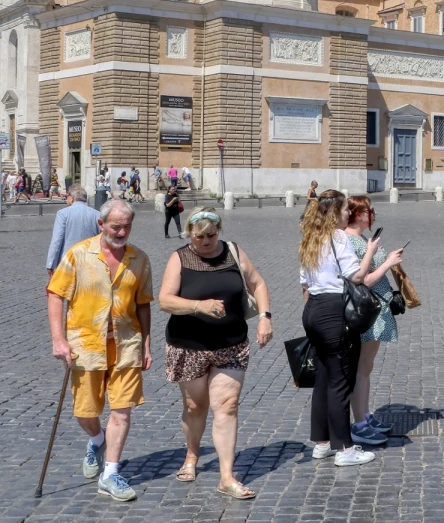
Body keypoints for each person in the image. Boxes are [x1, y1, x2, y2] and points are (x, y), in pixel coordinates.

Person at [158, 207, 272, 499]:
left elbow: (257, 283)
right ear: (189, 233)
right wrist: (199, 306)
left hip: (231, 343)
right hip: (189, 345)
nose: (206, 241)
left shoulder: (233, 252)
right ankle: (192, 455)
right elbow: (165, 301)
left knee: (228, 405)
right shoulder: (180, 258)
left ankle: (226, 476)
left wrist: (264, 316)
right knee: (196, 406)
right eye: (200, 236)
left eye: (212, 234)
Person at [46, 199, 153, 502]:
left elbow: (143, 303)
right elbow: (55, 294)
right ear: (101, 224)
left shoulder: (139, 259)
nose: (121, 231)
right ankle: (96, 439)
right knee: (85, 411)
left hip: (126, 343)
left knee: (122, 411)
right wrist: (58, 339)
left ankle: (111, 473)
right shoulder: (78, 254)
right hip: (85, 344)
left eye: (127, 226)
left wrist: (146, 343)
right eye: (116, 226)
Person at [299, 191, 402, 467]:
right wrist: (368, 252)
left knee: (322, 379)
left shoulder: (311, 238)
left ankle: (322, 443)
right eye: (345, 209)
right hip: (334, 311)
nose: (347, 214)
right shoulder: (339, 237)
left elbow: (305, 285)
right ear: (335, 212)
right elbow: (357, 277)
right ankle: (345, 448)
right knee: (340, 381)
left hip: (313, 310)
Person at [344, 195, 405, 444]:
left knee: (365, 369)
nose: (375, 213)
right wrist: (388, 263)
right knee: (361, 369)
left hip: (375, 310)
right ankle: (359, 423)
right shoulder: (350, 240)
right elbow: (363, 280)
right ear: (359, 214)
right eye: (371, 210)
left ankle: (365, 416)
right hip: (365, 311)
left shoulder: (360, 239)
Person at [46, 184, 102, 277]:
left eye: (67, 196)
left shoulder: (63, 213)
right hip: (90, 262)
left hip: (68, 261)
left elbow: (57, 240)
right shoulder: (97, 214)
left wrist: (51, 263)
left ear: (72, 198)